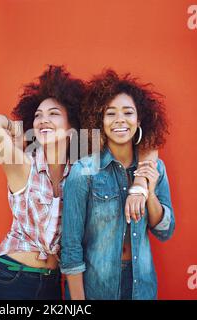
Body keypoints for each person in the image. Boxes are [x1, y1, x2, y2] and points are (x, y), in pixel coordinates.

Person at [60, 69, 175, 300]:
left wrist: (149, 193)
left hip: (141, 287)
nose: (120, 120)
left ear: (139, 119)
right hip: (97, 288)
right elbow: (71, 247)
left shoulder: (154, 168)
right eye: (110, 113)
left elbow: (165, 231)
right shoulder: (83, 171)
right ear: (100, 121)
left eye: (128, 112)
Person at [0, 65, 85, 299]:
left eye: (53, 114)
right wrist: (17, 128)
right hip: (10, 278)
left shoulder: (78, 173)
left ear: (72, 128)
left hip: (52, 285)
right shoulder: (23, 164)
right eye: (38, 116)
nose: (43, 120)